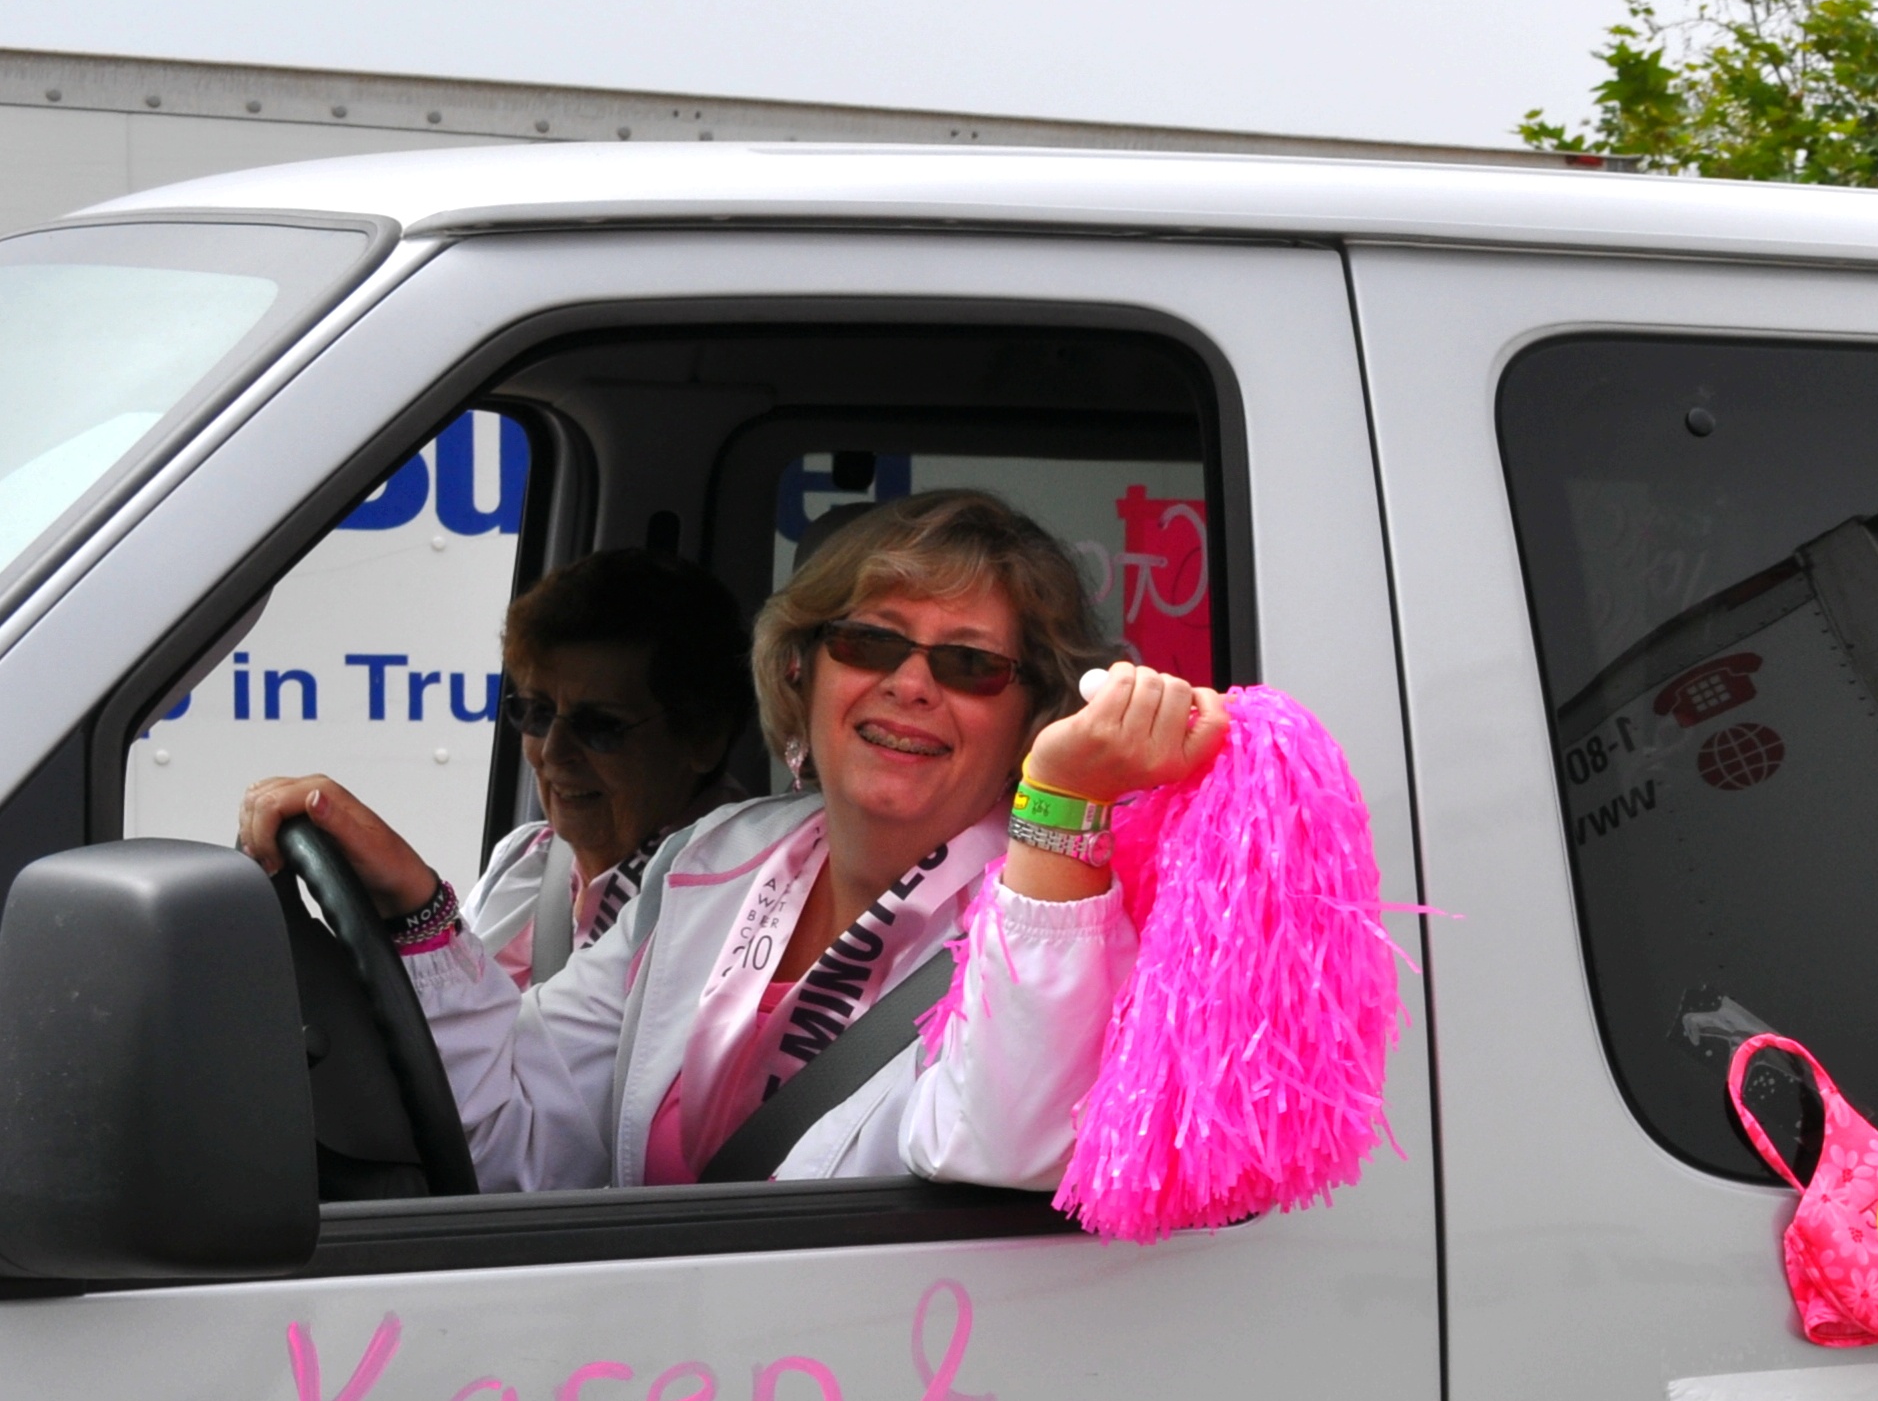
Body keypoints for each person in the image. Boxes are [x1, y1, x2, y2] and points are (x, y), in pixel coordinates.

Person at [236, 489, 1225, 1190]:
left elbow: (1007, 1150)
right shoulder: (713, 858)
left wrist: (1062, 802)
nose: (910, 684)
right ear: (801, 671)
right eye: (869, 642)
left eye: (969, 665)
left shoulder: (1055, 908)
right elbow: (519, 1133)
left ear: (1032, 713)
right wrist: (417, 907)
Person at [459, 548, 754, 981]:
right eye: (537, 712)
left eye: (599, 725)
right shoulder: (523, 859)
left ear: (702, 736)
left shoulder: (734, 902)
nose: (553, 751)